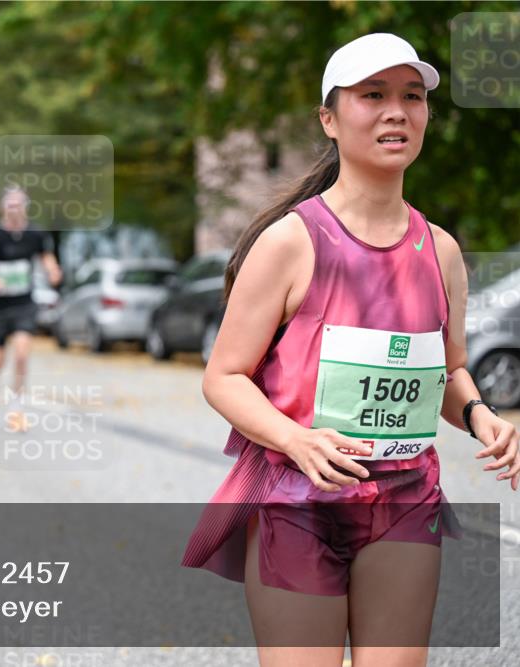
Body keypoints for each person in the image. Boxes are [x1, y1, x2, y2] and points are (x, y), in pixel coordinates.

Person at [180, 33, 519, 665]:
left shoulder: (440, 251)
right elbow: (223, 377)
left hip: (404, 498)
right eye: (374, 95)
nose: (397, 111)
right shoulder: (291, 242)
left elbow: (447, 371)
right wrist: (295, 439)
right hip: (296, 501)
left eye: (412, 97)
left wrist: (481, 416)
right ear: (329, 120)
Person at [0, 187, 62, 405]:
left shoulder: (35, 234)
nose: (15, 210)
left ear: (26, 208)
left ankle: (17, 406)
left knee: (21, 355)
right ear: (2, 208)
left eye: (19, 205)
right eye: (11, 206)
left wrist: (53, 271)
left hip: (23, 303)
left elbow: (46, 257)